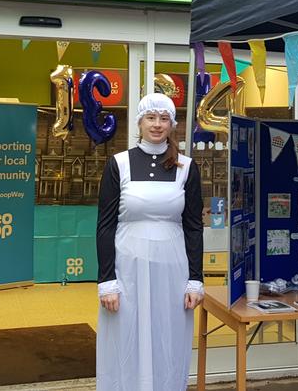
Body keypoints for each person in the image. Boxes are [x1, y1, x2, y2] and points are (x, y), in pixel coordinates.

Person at [96, 93, 205, 391]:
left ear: (172, 124)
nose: (157, 125)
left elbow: (194, 227)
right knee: (125, 335)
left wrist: (196, 279)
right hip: (127, 269)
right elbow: (105, 226)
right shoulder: (118, 164)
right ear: (140, 122)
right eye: (150, 118)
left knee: (167, 336)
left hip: (172, 269)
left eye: (163, 119)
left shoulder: (186, 167)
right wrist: (107, 280)